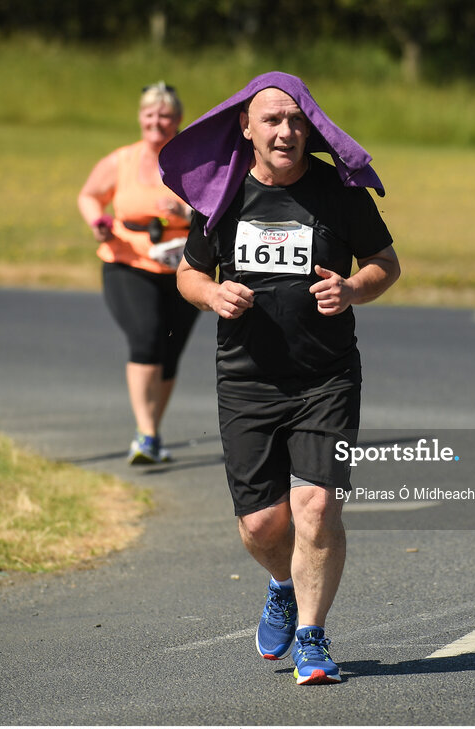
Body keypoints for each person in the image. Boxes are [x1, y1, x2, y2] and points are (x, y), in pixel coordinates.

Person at [160, 72, 400, 684]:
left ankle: (313, 639)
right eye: (272, 120)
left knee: (316, 509)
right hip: (248, 380)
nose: (286, 131)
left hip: (326, 376)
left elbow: (385, 264)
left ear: (309, 127)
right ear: (248, 128)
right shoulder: (225, 194)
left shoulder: (339, 192)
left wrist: (351, 288)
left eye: (296, 120)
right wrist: (214, 295)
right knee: (263, 525)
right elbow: (189, 274)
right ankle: (281, 584)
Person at [77, 82, 200, 465]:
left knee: (170, 351)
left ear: (178, 120)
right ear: (140, 118)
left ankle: (152, 433)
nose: (157, 122)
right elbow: (89, 195)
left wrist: (187, 215)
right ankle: (145, 435)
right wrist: (97, 220)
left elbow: (219, 211)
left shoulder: (196, 163)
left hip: (183, 265)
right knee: (146, 336)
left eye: (165, 115)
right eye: (150, 114)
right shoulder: (121, 160)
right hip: (126, 260)